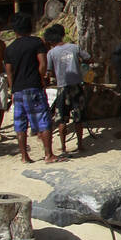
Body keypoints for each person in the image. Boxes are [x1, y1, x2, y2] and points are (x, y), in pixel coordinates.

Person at [5, 16, 50, 164]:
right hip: (34, 86)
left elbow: (9, 72)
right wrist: (41, 78)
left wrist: (13, 90)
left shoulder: (9, 48)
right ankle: (48, 155)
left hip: (17, 90)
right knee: (43, 120)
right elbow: (43, 63)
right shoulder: (37, 42)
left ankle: (24, 156)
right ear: (30, 27)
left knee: (20, 124)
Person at [44, 25, 79, 157]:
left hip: (62, 87)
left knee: (62, 118)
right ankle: (80, 144)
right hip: (76, 86)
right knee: (78, 117)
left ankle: (63, 146)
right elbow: (87, 58)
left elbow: (49, 71)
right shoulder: (74, 48)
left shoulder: (51, 53)